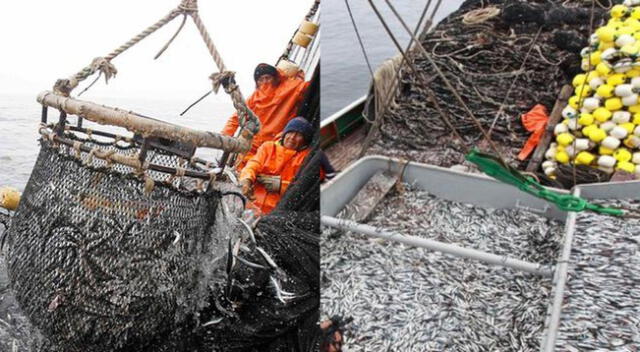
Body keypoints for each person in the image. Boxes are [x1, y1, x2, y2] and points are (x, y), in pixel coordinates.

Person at [222, 63, 309, 170]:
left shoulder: (291, 87)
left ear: (276, 77)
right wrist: (225, 136)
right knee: (242, 170)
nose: (265, 82)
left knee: (266, 171)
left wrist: (300, 76)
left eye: (267, 78)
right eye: (260, 80)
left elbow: (309, 88)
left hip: (275, 144)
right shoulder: (255, 96)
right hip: (253, 143)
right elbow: (237, 116)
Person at [239, 117, 313, 215]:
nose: (292, 137)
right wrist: (246, 180)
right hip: (250, 205)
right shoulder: (268, 147)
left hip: (278, 214)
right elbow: (253, 164)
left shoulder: (306, 159)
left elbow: (305, 188)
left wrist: (281, 186)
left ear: (305, 141)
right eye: (290, 132)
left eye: (298, 135)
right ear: (284, 133)